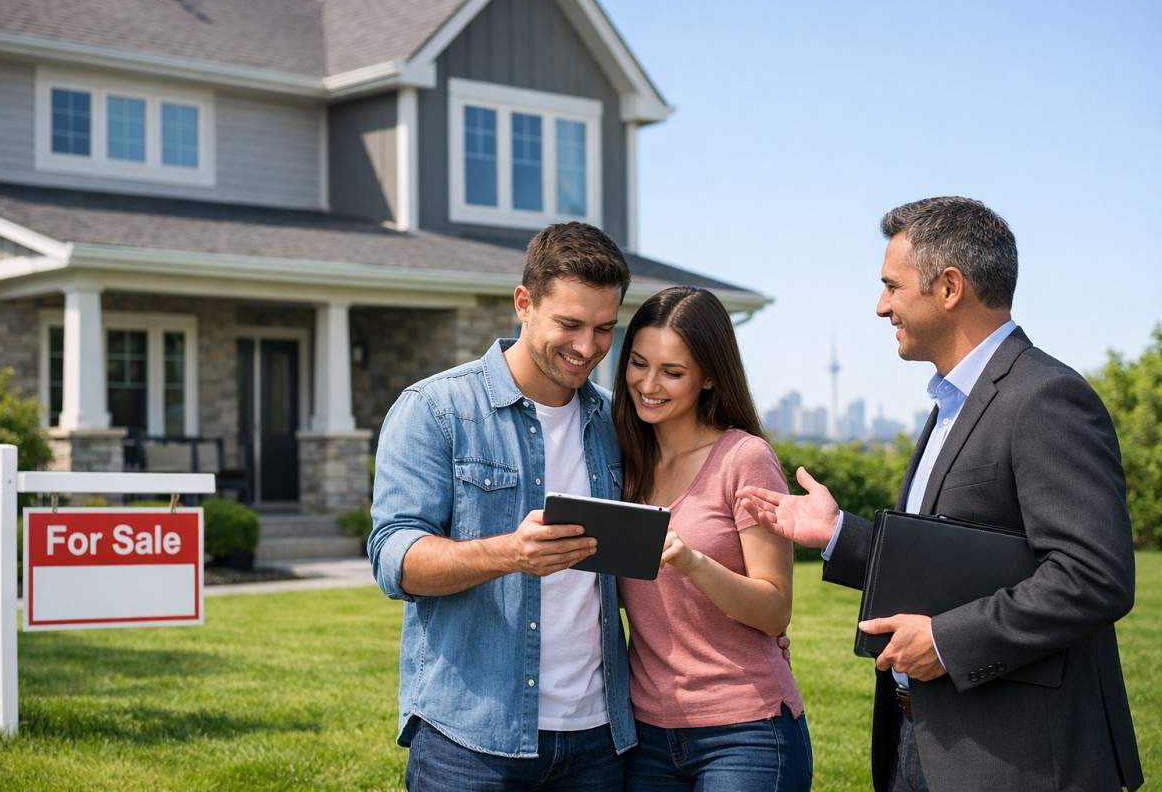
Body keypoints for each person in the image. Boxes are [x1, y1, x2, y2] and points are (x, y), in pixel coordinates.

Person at [737, 196, 1143, 792]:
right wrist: (838, 535)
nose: (881, 307)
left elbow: (1094, 575)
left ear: (949, 287)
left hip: (1016, 761)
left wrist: (946, 643)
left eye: (891, 286)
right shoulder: (951, 405)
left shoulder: (1044, 399)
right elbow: (952, 563)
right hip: (922, 742)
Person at [368, 222, 635, 790]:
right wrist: (510, 553)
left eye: (604, 329)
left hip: (599, 738)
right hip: (470, 740)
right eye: (569, 324)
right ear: (524, 303)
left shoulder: (617, 423)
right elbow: (395, 559)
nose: (587, 348)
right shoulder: (434, 409)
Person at [614, 286, 813, 791]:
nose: (648, 384)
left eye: (672, 373)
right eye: (638, 363)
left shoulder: (744, 460)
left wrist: (692, 561)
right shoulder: (622, 462)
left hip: (744, 730)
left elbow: (775, 610)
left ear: (708, 377)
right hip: (647, 734)